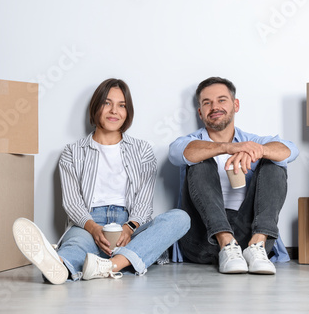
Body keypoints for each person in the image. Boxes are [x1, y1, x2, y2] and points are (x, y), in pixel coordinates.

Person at [13, 78, 190, 284]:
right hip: (88, 223)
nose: (114, 111)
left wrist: (128, 228)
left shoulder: (142, 151)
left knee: (180, 218)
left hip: (130, 224)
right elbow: (72, 202)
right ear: (95, 106)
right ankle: (59, 264)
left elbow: (143, 202)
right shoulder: (72, 152)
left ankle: (109, 266)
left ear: (127, 111)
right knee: (76, 246)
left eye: (122, 105)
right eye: (107, 103)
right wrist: (93, 228)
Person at [168, 77, 298, 275]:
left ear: (235, 105)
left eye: (221, 100)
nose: (214, 107)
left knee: (274, 161)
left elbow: (290, 150)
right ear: (200, 112)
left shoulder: (252, 142)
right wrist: (228, 148)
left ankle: (258, 245)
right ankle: (225, 242)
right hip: (203, 238)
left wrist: (258, 151)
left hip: (247, 236)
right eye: (207, 103)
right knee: (200, 160)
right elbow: (177, 153)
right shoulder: (191, 142)